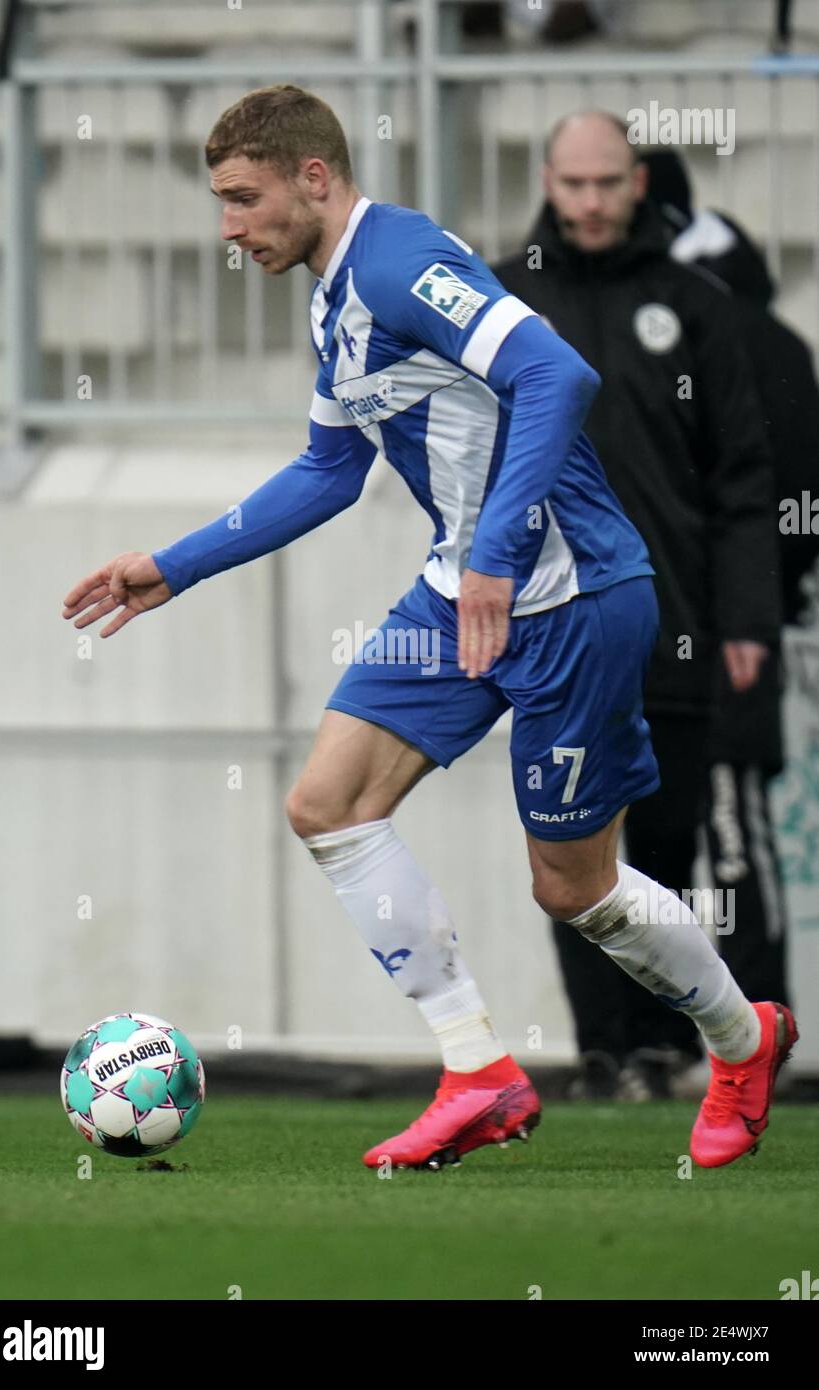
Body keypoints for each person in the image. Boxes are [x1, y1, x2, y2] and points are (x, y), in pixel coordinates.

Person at [62, 85, 797, 1170]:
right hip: (463, 592)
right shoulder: (333, 298)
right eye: (219, 204)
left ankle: (741, 1040)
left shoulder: (401, 265)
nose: (226, 228)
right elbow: (327, 471)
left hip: (573, 597)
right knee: (326, 803)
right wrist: (172, 565)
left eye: (240, 199)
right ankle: (477, 1071)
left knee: (572, 886)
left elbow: (558, 371)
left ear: (313, 178)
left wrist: (496, 549)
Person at [492, 112, 789, 1100]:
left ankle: (665, 1041)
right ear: (547, 178)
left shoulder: (692, 305)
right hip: (549, 624)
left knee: (660, 841)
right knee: (567, 836)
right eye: (570, 183)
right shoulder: (505, 297)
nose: (586, 202)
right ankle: (601, 1048)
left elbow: (743, 479)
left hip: (675, 623)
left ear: (634, 182)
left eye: (604, 183)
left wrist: (746, 618)